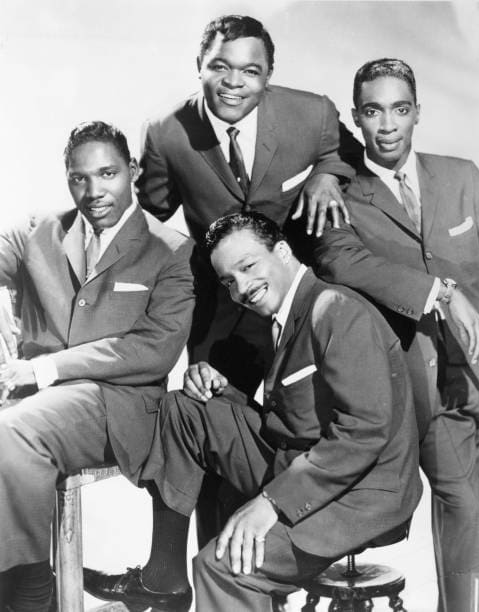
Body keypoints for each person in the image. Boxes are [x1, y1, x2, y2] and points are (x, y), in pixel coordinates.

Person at [84, 211, 422, 611]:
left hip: (362, 493)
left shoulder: (335, 309)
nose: (242, 288)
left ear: (281, 250)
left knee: (222, 568)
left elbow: (363, 432)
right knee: (186, 407)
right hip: (307, 464)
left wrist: (272, 503)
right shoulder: (290, 311)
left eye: (247, 267)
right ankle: (164, 578)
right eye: (229, 281)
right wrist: (223, 392)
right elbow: (299, 420)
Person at [0, 121, 195, 612]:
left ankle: (29, 585)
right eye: (78, 178)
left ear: (131, 171)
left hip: (117, 404)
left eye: (106, 174)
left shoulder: (170, 249)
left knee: (12, 432)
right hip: (37, 397)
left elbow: (155, 350)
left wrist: (46, 369)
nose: (93, 191)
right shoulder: (37, 231)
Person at [315, 58, 479, 611]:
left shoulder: (463, 176)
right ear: (356, 119)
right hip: (428, 388)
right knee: (464, 503)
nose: (387, 125)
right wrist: (441, 291)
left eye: (399, 109)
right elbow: (343, 265)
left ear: (417, 114)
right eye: (373, 111)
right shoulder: (340, 198)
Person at [136, 14, 362, 394]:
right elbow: (148, 215)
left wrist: (327, 175)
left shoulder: (311, 114)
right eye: (220, 67)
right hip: (225, 296)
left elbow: (348, 153)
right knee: (216, 401)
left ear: (269, 75)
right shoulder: (166, 132)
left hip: (298, 278)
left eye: (250, 71)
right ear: (199, 66)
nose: (233, 84)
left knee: (317, 397)